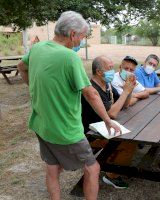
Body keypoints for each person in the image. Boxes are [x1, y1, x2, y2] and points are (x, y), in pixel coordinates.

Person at [17, 11, 120, 200]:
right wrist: (107, 120)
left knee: (53, 167)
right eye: (82, 36)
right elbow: (91, 93)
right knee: (93, 167)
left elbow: (21, 67)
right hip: (65, 129)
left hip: (42, 124)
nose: (82, 40)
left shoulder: (38, 48)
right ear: (73, 34)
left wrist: (34, 86)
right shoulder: (69, 57)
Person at [82, 55, 137, 189]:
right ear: (99, 72)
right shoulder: (92, 90)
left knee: (133, 135)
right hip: (92, 134)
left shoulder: (107, 85)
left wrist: (129, 90)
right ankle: (111, 175)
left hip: (106, 128)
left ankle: (115, 166)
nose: (113, 71)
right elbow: (111, 113)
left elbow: (125, 105)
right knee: (129, 142)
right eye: (110, 68)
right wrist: (125, 92)